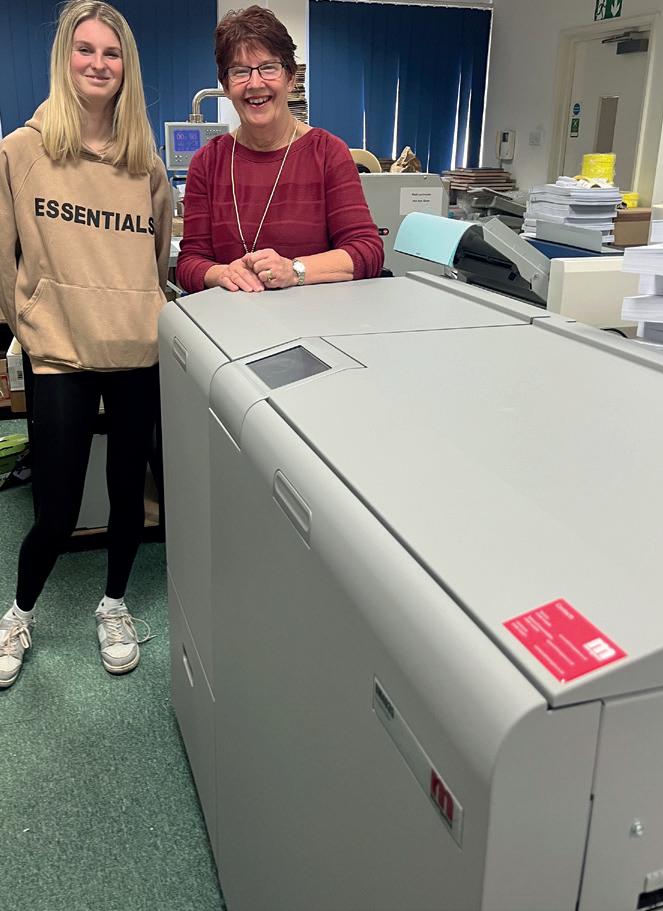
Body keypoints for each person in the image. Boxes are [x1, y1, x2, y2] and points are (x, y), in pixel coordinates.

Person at [0, 0, 172, 688]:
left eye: (112, 52)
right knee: (58, 508)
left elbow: (156, 257)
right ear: (64, 59)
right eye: (86, 49)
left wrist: (143, 308)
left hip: (135, 349)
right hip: (60, 350)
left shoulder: (144, 163)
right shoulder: (21, 151)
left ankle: (114, 605)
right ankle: (19, 612)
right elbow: (3, 257)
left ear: (126, 66)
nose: (99, 64)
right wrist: (26, 323)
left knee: (129, 495)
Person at [176, 5, 384, 294]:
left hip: (313, 317)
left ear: (291, 77)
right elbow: (189, 262)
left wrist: (295, 270)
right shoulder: (208, 162)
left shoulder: (327, 153)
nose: (255, 83)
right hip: (232, 318)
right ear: (226, 85)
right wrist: (223, 273)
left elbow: (367, 251)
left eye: (269, 68)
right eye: (240, 71)